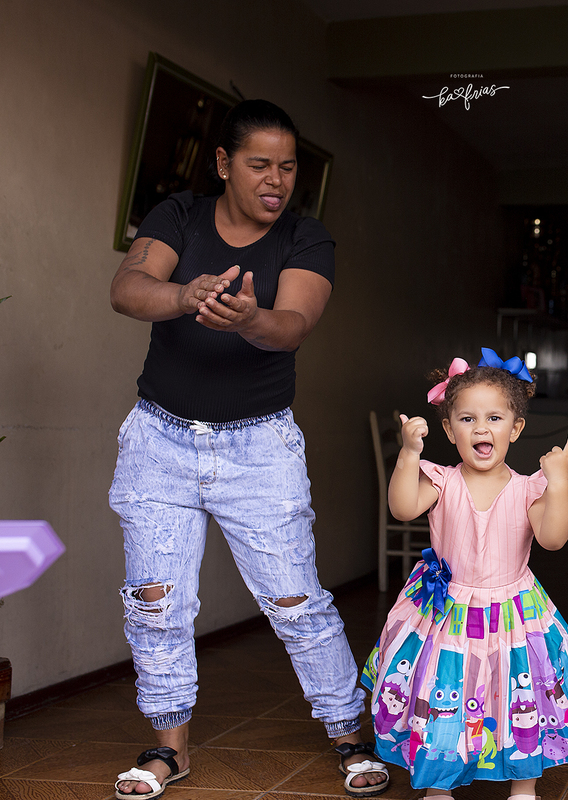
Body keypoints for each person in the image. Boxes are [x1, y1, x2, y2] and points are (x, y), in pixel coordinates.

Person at [108, 99, 387, 800]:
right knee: (155, 602)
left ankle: (349, 735)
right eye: (260, 164)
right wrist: (185, 297)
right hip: (159, 440)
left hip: (258, 447)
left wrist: (248, 318)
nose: (276, 180)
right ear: (224, 163)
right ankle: (169, 749)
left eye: (287, 167)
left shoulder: (305, 237)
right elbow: (128, 288)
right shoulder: (180, 215)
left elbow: (293, 325)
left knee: (296, 603)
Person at [361, 351, 568, 799]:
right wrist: (409, 454)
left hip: (513, 613)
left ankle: (524, 787)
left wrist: (559, 484)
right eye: (467, 419)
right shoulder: (440, 480)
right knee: (442, 692)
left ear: (515, 428)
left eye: (494, 418)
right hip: (446, 614)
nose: (481, 428)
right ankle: (438, 787)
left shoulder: (529, 488)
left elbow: (553, 539)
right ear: (448, 429)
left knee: (519, 695)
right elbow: (402, 507)